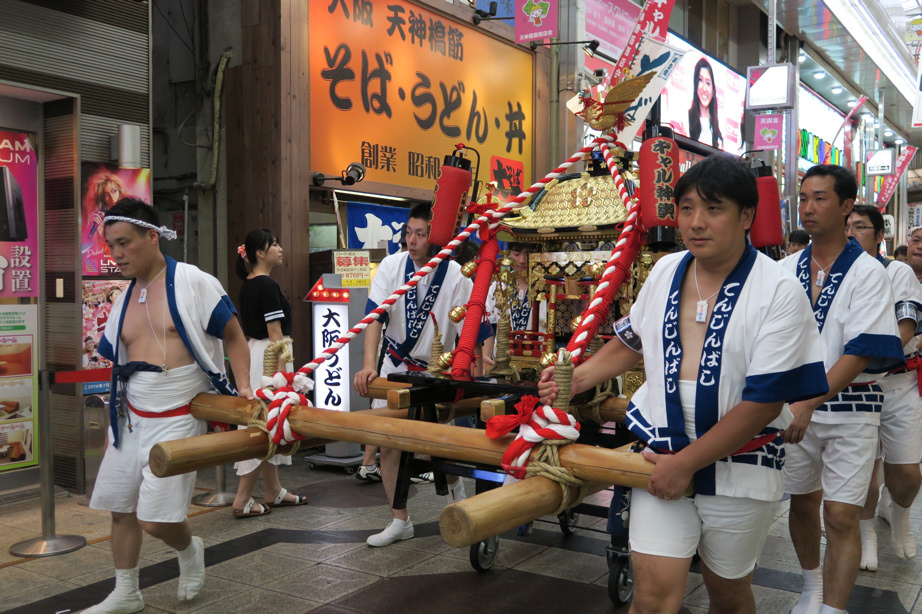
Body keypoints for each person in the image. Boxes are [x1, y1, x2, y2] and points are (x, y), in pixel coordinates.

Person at [538, 154, 828, 614]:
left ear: (746, 216)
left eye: (713, 209)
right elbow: (633, 339)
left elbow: (763, 401)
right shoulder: (666, 270)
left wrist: (687, 464)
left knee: (728, 595)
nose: (696, 222)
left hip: (742, 465)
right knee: (652, 598)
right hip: (660, 453)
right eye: (687, 208)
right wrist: (577, 379)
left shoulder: (778, 289)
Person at [86, 198, 253, 614]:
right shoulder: (122, 297)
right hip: (129, 415)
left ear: (152, 236)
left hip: (179, 410)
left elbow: (234, 335)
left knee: (154, 519)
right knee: (120, 509)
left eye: (124, 243)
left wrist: (245, 386)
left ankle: (189, 548)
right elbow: (117, 358)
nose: (116, 253)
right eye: (111, 246)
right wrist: (112, 427)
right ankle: (127, 591)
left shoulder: (195, 282)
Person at [780, 166, 904, 614]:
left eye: (820, 199)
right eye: (804, 198)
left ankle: (833, 607)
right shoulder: (783, 269)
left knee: (840, 513)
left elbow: (860, 352)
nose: (808, 208)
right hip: (793, 410)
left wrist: (808, 402)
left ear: (847, 206)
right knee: (801, 502)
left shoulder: (870, 273)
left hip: (850, 407)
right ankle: (812, 585)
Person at [353, 203, 483, 547]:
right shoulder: (391, 267)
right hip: (394, 368)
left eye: (420, 234)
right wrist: (369, 366)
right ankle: (400, 519)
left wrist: (472, 368)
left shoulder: (455, 274)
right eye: (408, 232)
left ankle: (456, 491)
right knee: (388, 441)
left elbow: (474, 327)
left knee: (439, 442)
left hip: (435, 371)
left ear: (435, 236)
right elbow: (374, 320)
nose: (411, 240)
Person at [845, 206, 922, 570]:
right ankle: (866, 533)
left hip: (898, 380)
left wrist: (873, 354)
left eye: (860, 227)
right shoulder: (835, 272)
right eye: (847, 226)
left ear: (879, 236)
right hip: (852, 384)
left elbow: (907, 325)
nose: (851, 233)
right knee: (863, 472)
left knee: (906, 472)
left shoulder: (898, 270)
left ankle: (901, 515)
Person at [231, 229, 308, 517]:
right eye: (274, 244)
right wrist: (280, 377)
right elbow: (275, 333)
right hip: (270, 358)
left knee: (268, 423)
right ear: (259, 253)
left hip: (254, 353)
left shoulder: (248, 284)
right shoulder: (267, 286)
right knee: (264, 423)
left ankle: (273, 490)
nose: (280, 248)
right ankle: (241, 499)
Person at [483, 242, 533, 367]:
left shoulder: (548, 287)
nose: (522, 261)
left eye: (529, 254)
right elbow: (489, 323)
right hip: (501, 360)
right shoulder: (499, 286)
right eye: (516, 254)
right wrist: (485, 356)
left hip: (538, 359)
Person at [688, 58, 723, 149]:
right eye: (700, 80)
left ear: (713, 91)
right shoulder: (686, 119)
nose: (704, 88)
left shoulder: (719, 128)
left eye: (708, 83)